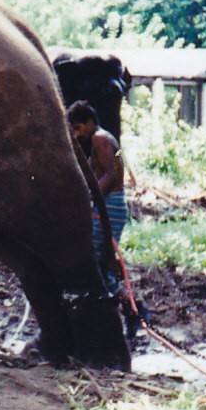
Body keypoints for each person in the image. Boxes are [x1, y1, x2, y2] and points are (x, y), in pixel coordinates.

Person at [66, 99, 128, 289]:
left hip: (111, 204)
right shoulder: (104, 139)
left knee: (98, 254)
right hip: (112, 204)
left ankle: (113, 295)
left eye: (78, 128)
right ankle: (112, 293)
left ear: (90, 122)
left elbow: (111, 174)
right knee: (101, 254)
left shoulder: (99, 138)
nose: (77, 135)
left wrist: (91, 197)